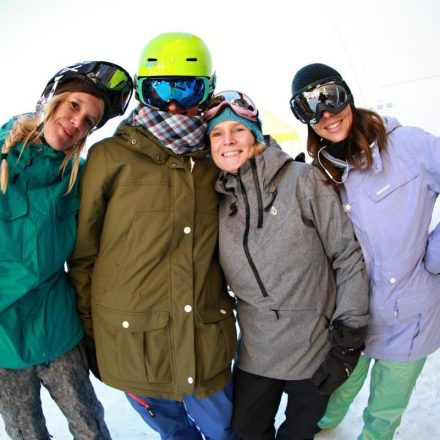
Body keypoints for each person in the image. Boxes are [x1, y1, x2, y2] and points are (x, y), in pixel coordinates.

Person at [68, 32, 238, 440]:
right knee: (175, 434)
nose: (174, 104)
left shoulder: (217, 161)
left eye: (187, 87)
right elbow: (84, 256)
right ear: (144, 93)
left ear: (208, 91)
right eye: (160, 90)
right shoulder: (110, 158)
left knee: (227, 431)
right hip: (133, 343)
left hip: (204, 338)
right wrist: (94, 334)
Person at [204, 90, 369, 440]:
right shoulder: (213, 200)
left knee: (300, 433)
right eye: (217, 133)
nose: (228, 141)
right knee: (246, 432)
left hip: (316, 348)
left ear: (256, 135)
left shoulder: (301, 180)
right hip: (257, 351)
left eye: (238, 129)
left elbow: (347, 255)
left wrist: (349, 335)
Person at [289, 62, 440, 439]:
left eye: (331, 98)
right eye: (309, 108)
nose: (326, 114)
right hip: (351, 315)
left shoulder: (408, 146)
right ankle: (322, 431)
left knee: (385, 410)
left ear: (348, 96)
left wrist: (434, 256)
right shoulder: (319, 172)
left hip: (409, 314)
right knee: (335, 393)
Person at [0, 60, 133, 439]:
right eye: (75, 106)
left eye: (89, 121)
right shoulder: (2, 157)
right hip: (3, 343)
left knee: (88, 426)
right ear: (52, 99)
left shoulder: (79, 176)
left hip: (57, 330)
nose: (78, 123)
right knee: (25, 432)